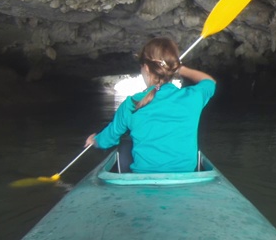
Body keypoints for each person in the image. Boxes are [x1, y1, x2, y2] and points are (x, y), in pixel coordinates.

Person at [85, 37, 216, 173]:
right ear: (173, 68)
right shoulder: (192, 97)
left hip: (144, 177)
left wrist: (95, 140)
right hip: (185, 176)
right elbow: (209, 82)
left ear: (146, 68)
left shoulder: (131, 104)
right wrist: (182, 70)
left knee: (125, 144)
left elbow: (109, 137)